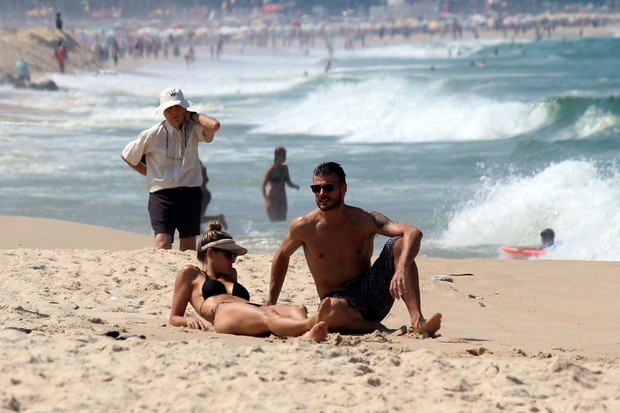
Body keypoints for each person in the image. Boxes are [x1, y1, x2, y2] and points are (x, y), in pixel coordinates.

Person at [267, 161, 442, 336]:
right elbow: (282, 256)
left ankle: (417, 321)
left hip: (372, 292)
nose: (322, 193)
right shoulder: (304, 226)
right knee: (329, 311)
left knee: (401, 244)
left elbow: (413, 232)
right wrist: (271, 303)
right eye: (316, 189)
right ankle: (376, 328)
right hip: (339, 303)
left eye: (328, 188)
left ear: (343, 189)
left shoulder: (364, 219)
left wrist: (401, 268)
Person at [169, 221, 329, 341]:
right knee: (269, 314)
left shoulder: (231, 273)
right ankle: (309, 324)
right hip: (222, 313)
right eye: (229, 255)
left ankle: (307, 334)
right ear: (210, 253)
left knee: (298, 308)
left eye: (235, 256)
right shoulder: (190, 273)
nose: (233, 260)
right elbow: (174, 317)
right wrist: (187, 319)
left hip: (248, 311)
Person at [121, 87, 220, 251]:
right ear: (163, 112)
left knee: (188, 248)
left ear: (185, 108)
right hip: (162, 196)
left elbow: (214, 126)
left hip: (191, 194)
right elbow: (127, 155)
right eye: (170, 108)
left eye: (178, 107)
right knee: (162, 243)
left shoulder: (193, 129)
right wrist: (148, 172)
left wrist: (193, 116)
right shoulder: (153, 134)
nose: (175, 112)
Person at [260, 146, 299, 222]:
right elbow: (262, 185)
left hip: (282, 199)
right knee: (274, 222)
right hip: (272, 199)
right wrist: (266, 200)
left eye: (285, 155)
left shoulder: (285, 168)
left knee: (282, 222)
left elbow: (288, 182)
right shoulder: (272, 169)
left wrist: (295, 186)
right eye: (283, 155)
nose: (285, 157)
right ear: (277, 155)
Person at [199, 159, 227, 229]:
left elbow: (205, 175)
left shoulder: (192, 158)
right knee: (195, 219)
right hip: (202, 193)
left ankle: (218, 218)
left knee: (196, 219)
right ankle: (217, 219)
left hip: (202, 194)